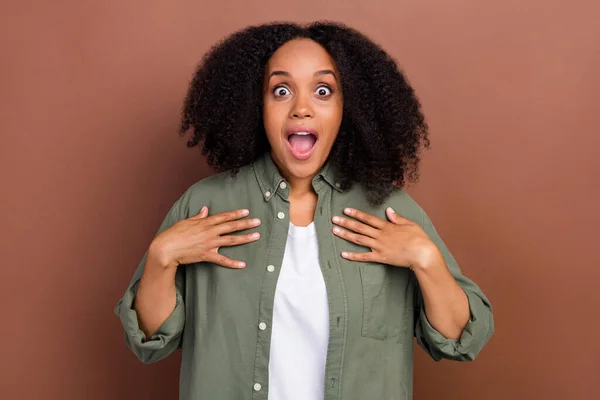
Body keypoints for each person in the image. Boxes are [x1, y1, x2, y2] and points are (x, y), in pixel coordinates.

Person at [114, 20, 494, 400]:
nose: (301, 108)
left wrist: (426, 259)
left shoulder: (390, 211)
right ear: (256, 105)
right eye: (281, 90)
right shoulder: (204, 205)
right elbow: (151, 341)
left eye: (323, 90)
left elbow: (461, 339)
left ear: (349, 107)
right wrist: (161, 257)